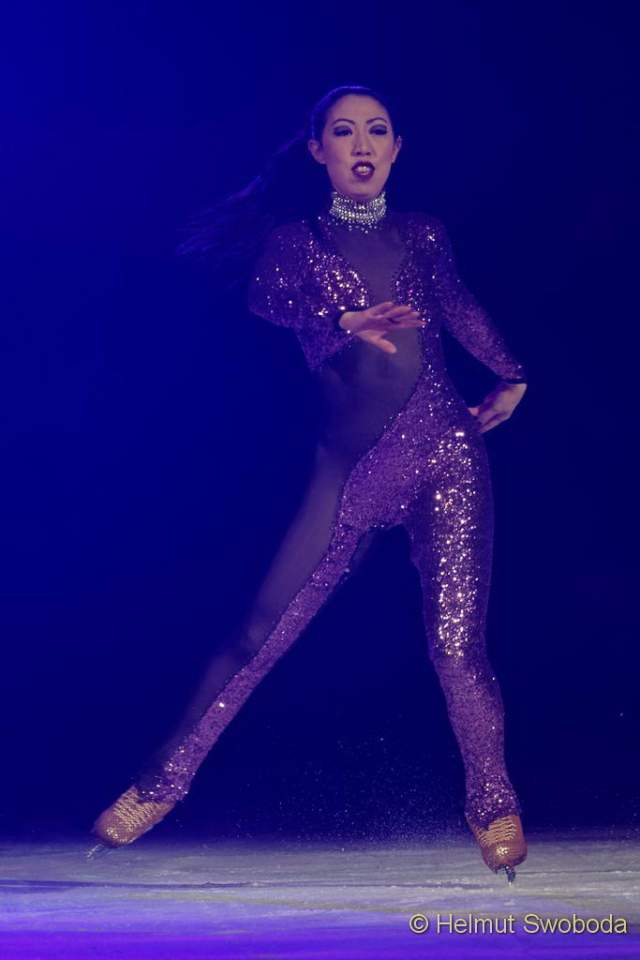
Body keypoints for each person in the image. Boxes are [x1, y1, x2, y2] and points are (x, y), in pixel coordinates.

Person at [88, 84, 529, 883]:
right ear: (317, 151)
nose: (362, 144)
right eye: (344, 131)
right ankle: (159, 782)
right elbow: (269, 300)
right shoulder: (294, 244)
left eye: (377, 130)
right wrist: (341, 321)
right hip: (349, 469)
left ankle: (492, 800)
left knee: (457, 646)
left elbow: (459, 306)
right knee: (258, 632)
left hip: (447, 456)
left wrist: (512, 373)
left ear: (396, 148)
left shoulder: (424, 235)